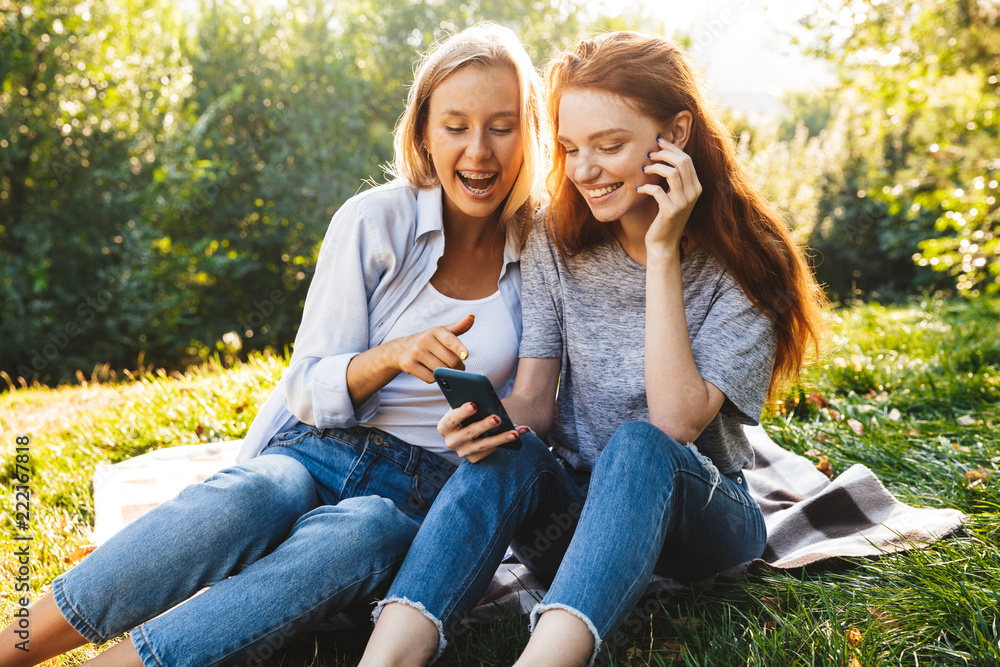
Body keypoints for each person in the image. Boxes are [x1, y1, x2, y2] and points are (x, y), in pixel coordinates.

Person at [0, 22, 543, 667]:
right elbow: (307, 388)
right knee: (256, 495)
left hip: (426, 498)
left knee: (363, 533)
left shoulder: (541, 250)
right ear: (424, 130)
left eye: (501, 127)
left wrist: (495, 433)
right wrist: (392, 355)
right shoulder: (375, 221)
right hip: (321, 450)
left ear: (529, 132)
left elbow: (541, 407)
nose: (478, 152)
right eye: (456, 126)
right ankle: (15, 644)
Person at [359, 31, 827, 667]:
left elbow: (673, 424)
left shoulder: (747, 263)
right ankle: (386, 658)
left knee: (638, 443)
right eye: (571, 148)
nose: (584, 171)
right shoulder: (557, 236)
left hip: (703, 526)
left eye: (609, 146)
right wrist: (487, 426)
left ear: (677, 135)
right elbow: (534, 398)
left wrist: (662, 252)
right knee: (509, 452)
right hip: (576, 523)